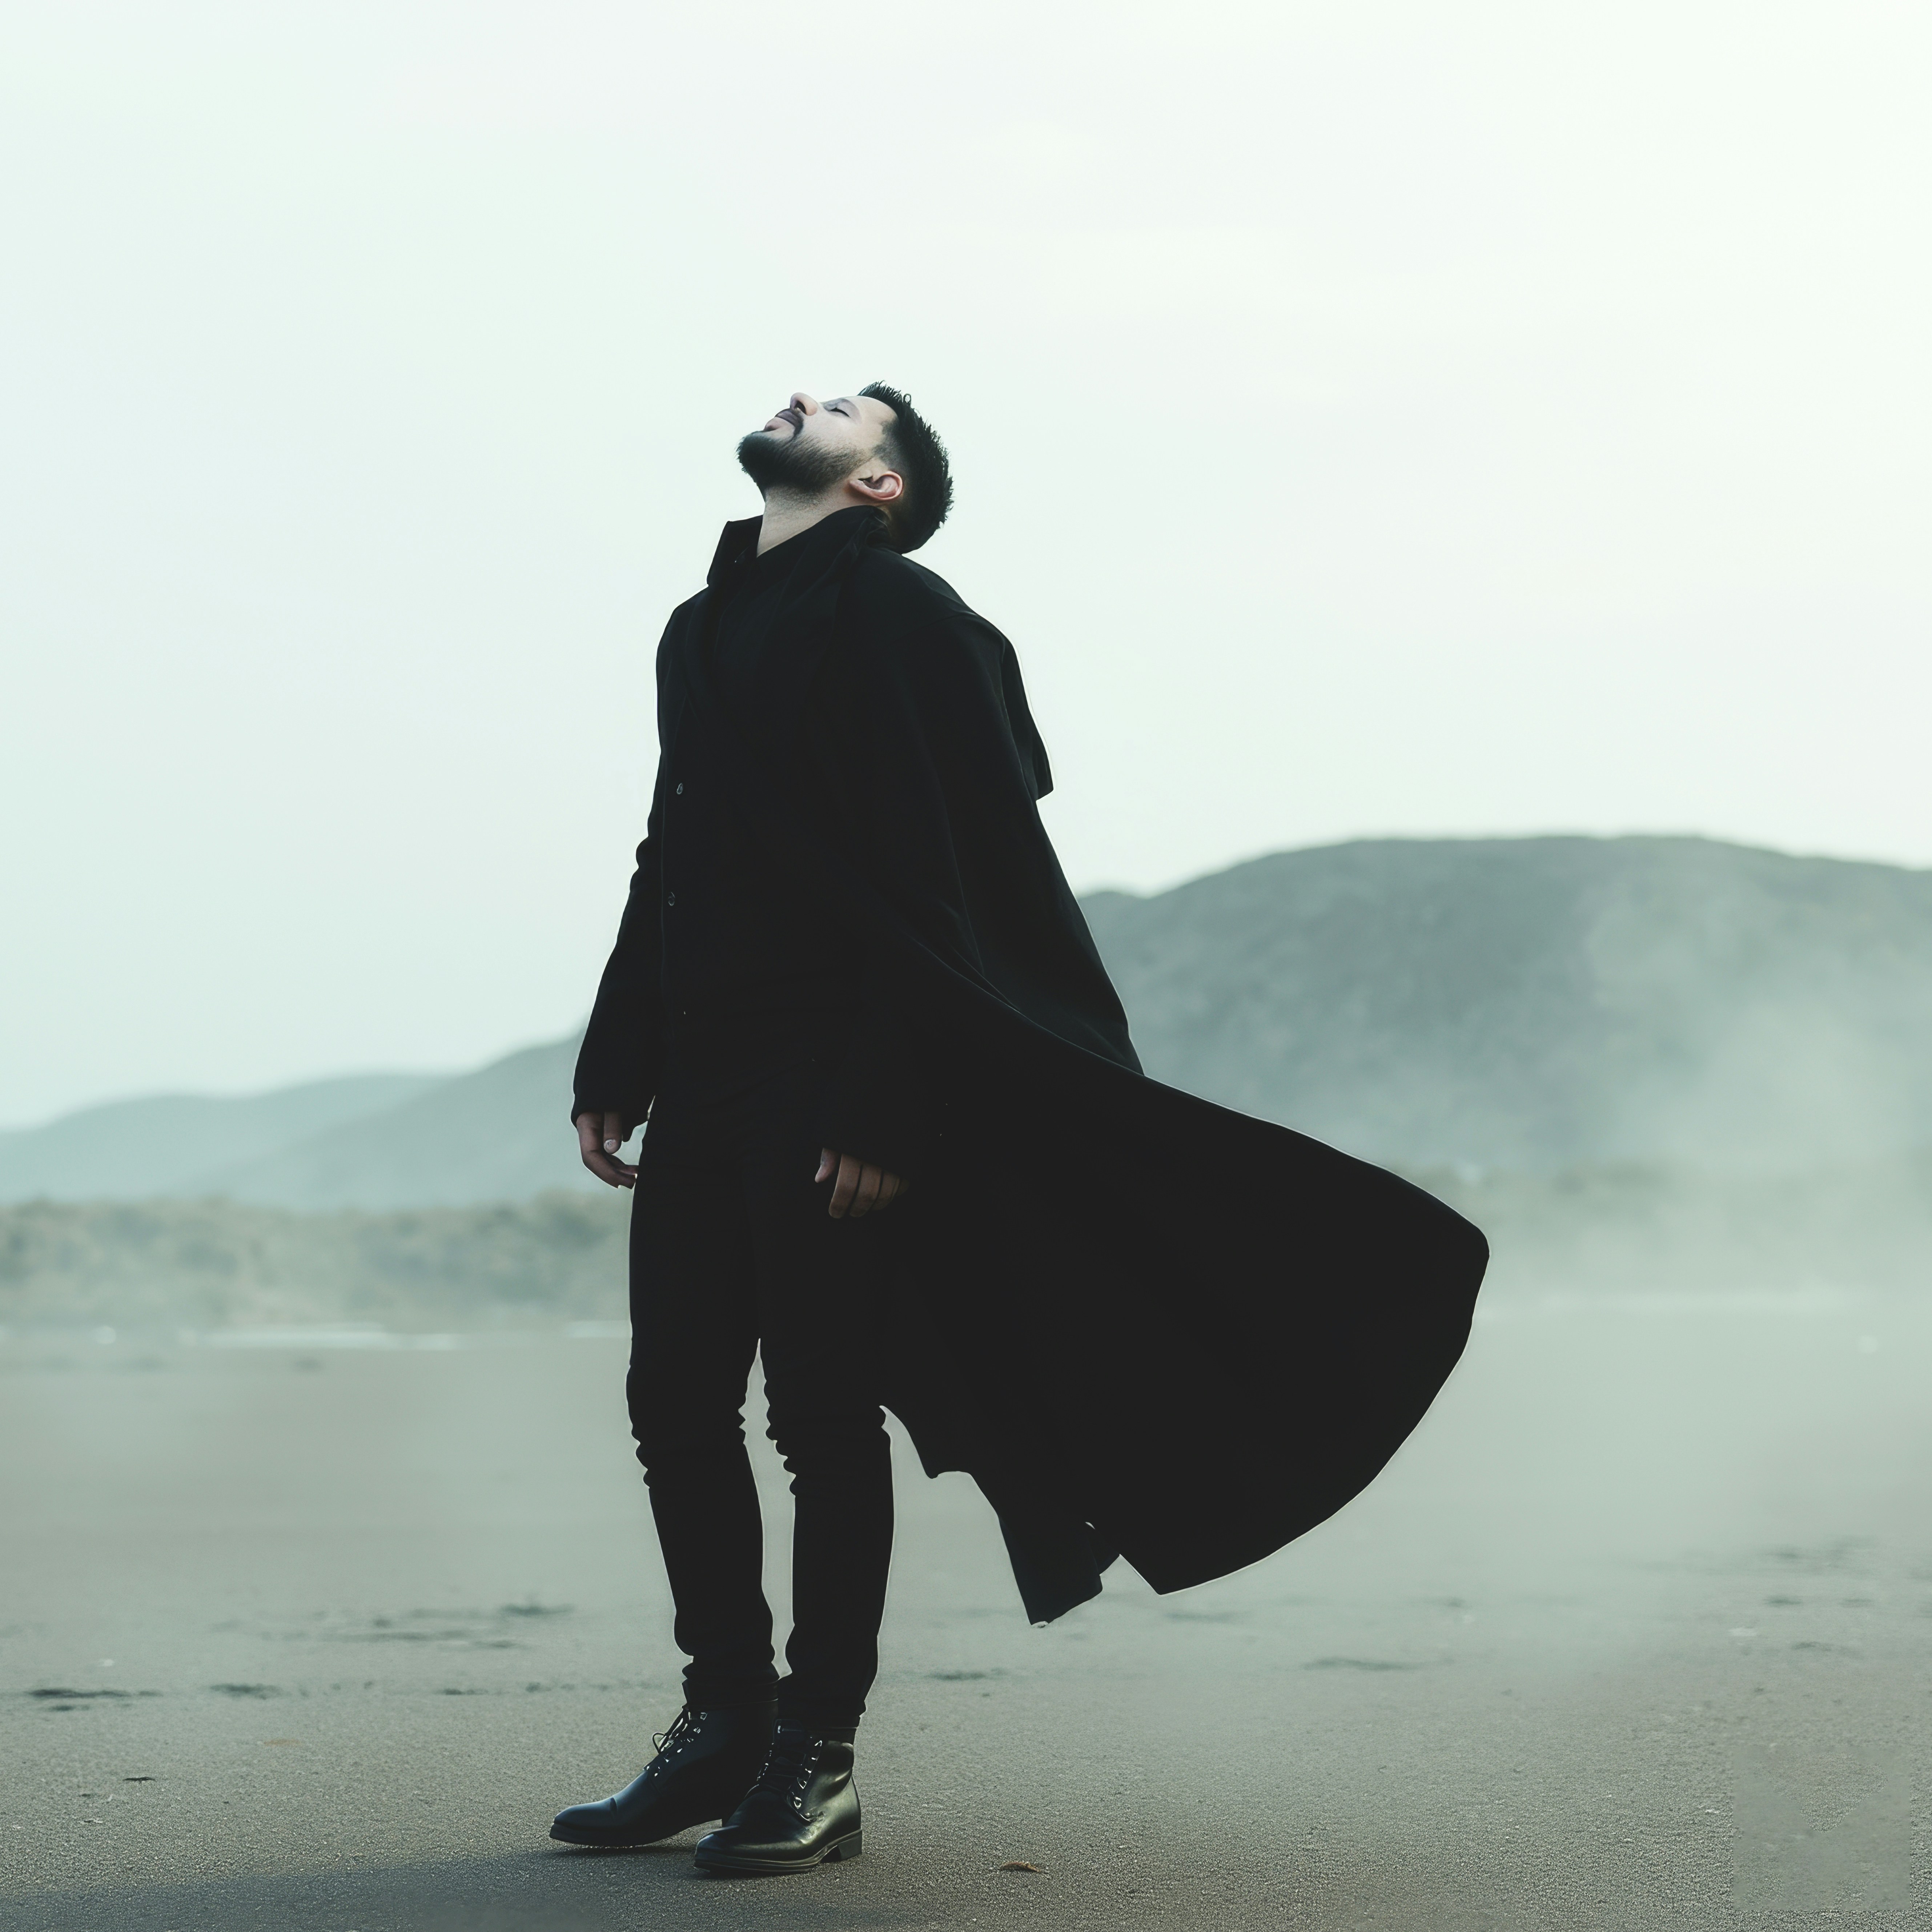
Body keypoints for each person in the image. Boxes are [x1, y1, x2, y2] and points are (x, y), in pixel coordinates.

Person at [550, 385, 1488, 1877]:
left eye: (845, 406)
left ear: (877, 484)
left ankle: (818, 1754)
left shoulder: (910, 620)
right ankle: (719, 1720)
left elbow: (948, 879)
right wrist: (620, 1049)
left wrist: (886, 1100)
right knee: (673, 1402)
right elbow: (675, 846)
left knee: (816, 1417)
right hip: (711, 1066)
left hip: (835, 1070)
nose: (804, 396)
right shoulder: (698, 628)